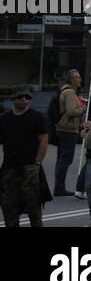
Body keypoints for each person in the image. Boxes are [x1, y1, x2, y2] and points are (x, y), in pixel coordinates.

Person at [1, 87, 48, 228]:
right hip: (9, 167)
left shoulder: (37, 117)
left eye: (27, 97)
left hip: (30, 167)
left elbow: (44, 141)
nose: (24, 99)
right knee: (9, 207)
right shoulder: (5, 118)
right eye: (21, 97)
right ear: (14, 99)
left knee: (33, 208)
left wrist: (37, 162)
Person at [51, 69, 84, 196]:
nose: (80, 79)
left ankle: (58, 186)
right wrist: (83, 108)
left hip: (62, 128)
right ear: (71, 80)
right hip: (68, 130)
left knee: (61, 159)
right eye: (77, 77)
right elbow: (71, 112)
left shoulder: (66, 91)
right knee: (65, 159)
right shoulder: (69, 92)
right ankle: (59, 187)